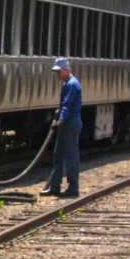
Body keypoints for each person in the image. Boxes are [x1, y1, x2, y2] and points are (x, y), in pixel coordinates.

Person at [41, 57, 82, 198]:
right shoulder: (68, 83)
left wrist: (60, 120)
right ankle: (55, 186)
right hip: (66, 123)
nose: (57, 74)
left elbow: (66, 105)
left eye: (59, 72)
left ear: (66, 70)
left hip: (70, 123)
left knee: (71, 157)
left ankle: (73, 188)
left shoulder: (71, 84)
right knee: (58, 155)